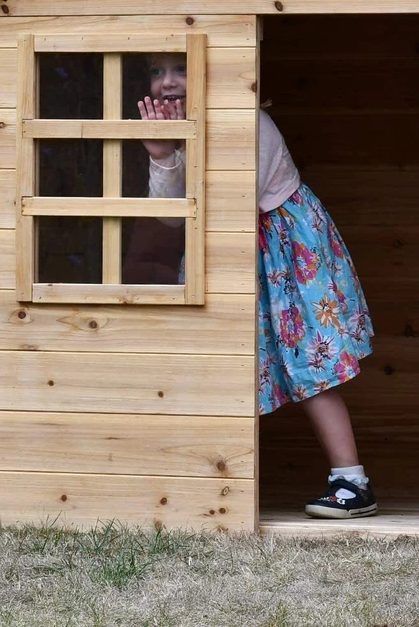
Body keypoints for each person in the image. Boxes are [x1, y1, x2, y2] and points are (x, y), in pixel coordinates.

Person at [138, 52, 377, 519]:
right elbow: (169, 215)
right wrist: (163, 155)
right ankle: (200, 476)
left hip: (283, 251)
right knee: (211, 361)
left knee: (312, 361)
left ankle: (353, 483)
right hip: (232, 249)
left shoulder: (249, 120)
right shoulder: (183, 128)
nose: (166, 82)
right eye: (155, 71)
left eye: (179, 68)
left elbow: (233, 201)